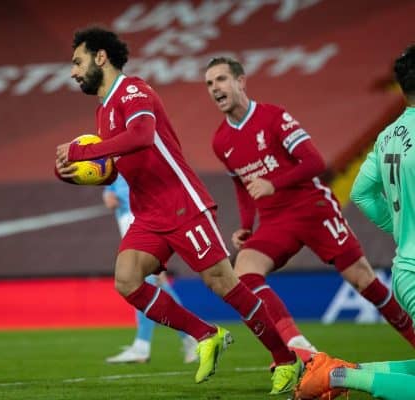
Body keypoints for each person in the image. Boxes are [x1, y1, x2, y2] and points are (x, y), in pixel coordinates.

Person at [55, 26, 302, 394]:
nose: (74, 71)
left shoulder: (133, 89)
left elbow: (141, 136)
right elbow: (118, 166)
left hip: (182, 204)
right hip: (149, 213)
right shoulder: (103, 111)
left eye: (78, 61)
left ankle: (286, 360)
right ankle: (206, 334)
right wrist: (80, 175)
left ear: (101, 57)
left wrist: (81, 152)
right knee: (127, 281)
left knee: (223, 283)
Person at [204, 56, 415, 362]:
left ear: (240, 81)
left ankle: (413, 337)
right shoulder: (220, 141)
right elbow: (242, 185)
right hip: (275, 220)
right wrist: (247, 225)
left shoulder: (274, 117)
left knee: (362, 279)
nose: (214, 88)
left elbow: (315, 163)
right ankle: (302, 349)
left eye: (221, 79)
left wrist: (274, 183)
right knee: (244, 272)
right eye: (209, 83)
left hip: (312, 207)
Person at [295, 44, 415, 400]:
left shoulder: (388, 135)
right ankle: (338, 377)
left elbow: (362, 193)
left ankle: (339, 372)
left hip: (406, 269)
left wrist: (400, 229)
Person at [103, 175, 198, 364]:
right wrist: (108, 193)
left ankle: (142, 346)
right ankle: (191, 337)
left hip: (142, 220)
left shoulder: (139, 155)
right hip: (128, 219)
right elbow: (112, 184)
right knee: (157, 285)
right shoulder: (115, 158)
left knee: (141, 283)